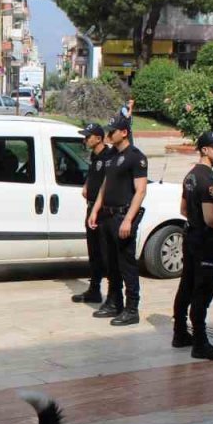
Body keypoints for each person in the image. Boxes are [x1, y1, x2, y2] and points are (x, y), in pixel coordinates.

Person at [172, 131, 213, 360]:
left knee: (187, 284)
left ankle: (179, 333)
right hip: (205, 240)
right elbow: (210, 218)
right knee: (202, 290)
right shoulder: (207, 179)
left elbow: (183, 210)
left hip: (191, 237)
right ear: (204, 150)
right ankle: (200, 342)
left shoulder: (190, 176)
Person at [88, 113, 147, 326]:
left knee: (127, 265)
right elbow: (105, 185)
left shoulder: (135, 156)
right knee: (110, 263)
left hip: (122, 216)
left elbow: (140, 191)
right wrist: (95, 210)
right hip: (107, 215)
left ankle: (132, 309)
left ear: (124, 132)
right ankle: (114, 302)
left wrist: (128, 219)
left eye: (112, 131)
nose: (109, 135)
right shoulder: (111, 155)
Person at [72, 123, 109, 305]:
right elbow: (93, 175)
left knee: (105, 253)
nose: (85, 140)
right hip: (91, 207)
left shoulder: (108, 157)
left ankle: (113, 295)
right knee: (93, 252)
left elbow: (108, 183)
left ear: (99, 138)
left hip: (103, 210)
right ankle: (94, 289)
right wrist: (86, 185)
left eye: (88, 136)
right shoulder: (94, 156)